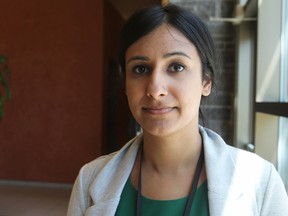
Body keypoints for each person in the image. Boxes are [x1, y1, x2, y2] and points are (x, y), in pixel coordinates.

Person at [67, 4, 288, 216]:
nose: (155, 89)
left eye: (176, 67)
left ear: (206, 82)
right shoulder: (91, 179)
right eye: (140, 69)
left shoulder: (261, 181)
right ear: (125, 83)